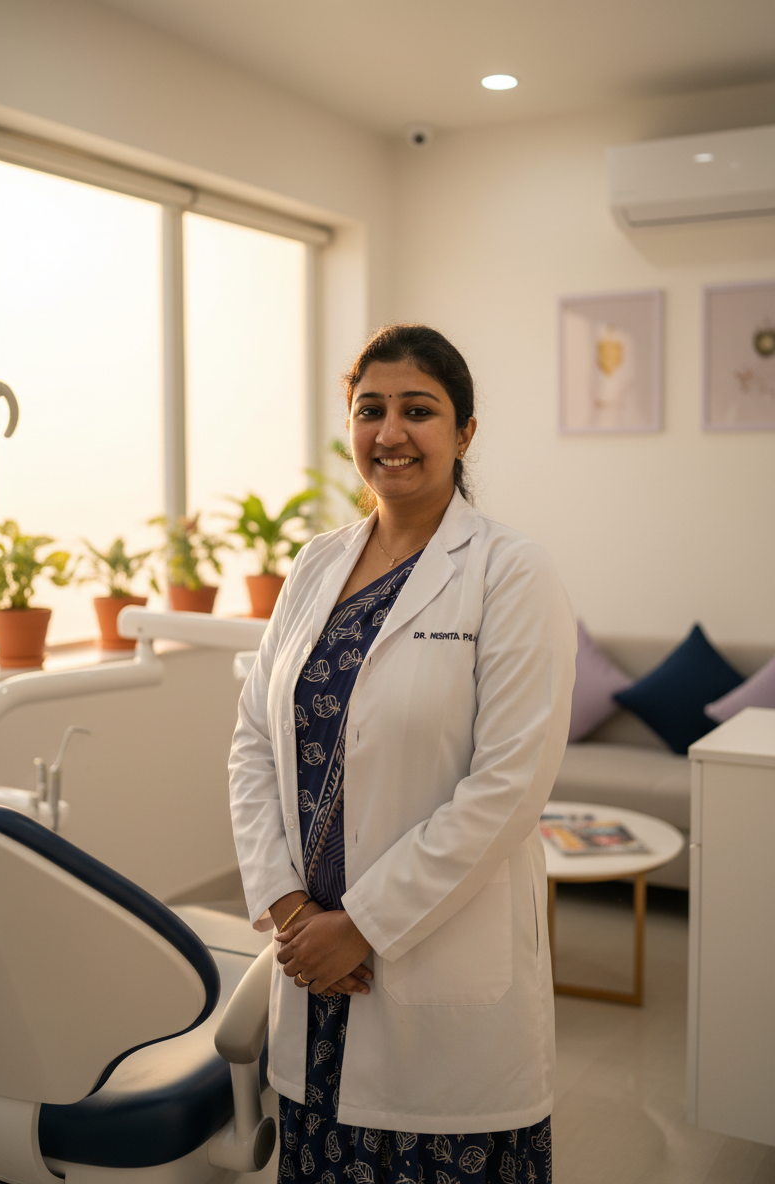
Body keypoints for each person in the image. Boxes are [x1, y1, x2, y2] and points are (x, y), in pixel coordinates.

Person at [229, 324, 576, 1184]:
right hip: (313, 970)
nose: (390, 433)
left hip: (426, 970)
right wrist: (288, 908)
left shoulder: (511, 573)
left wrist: (363, 927)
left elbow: (507, 791)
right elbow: (251, 743)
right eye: (369, 410)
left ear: (462, 433)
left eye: (418, 410)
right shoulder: (313, 567)